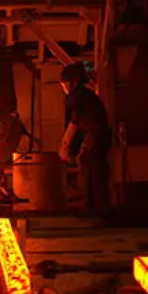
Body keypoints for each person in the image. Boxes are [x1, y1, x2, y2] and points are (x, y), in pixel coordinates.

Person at [59, 64, 113, 213]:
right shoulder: (87, 96)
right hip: (99, 137)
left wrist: (70, 146)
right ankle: (95, 208)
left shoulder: (78, 97)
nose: (64, 88)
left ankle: (97, 210)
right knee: (92, 173)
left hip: (96, 137)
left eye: (65, 84)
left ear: (74, 82)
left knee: (94, 175)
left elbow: (78, 122)